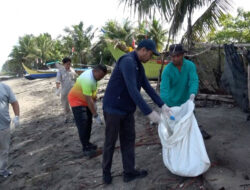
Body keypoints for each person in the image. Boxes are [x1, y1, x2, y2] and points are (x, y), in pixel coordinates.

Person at [102, 39, 172, 184]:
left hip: (127, 110)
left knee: (128, 140)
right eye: (151, 55)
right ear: (144, 50)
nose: (151, 58)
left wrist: (162, 105)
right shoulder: (127, 61)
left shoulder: (139, 66)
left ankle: (129, 172)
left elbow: (147, 87)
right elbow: (133, 90)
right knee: (110, 141)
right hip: (113, 108)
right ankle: (106, 173)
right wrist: (149, 113)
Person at [160, 43, 211, 139]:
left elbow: (193, 80)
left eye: (177, 56)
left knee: (190, 121)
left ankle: (196, 132)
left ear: (183, 55)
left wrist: (192, 93)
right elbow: (164, 89)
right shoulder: (167, 70)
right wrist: (164, 104)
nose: (174, 59)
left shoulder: (190, 66)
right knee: (175, 127)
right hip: (172, 103)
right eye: (172, 56)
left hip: (186, 100)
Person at [68, 64, 107, 157]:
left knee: (88, 122)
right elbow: (88, 99)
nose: (101, 78)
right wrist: (96, 115)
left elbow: (92, 92)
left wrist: (95, 102)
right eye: (100, 76)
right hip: (76, 101)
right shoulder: (87, 79)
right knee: (83, 124)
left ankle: (88, 143)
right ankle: (85, 148)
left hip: (85, 100)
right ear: (95, 71)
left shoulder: (94, 77)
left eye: (103, 77)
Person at [0, 82, 20, 178]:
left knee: (4, 150)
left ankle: (2, 170)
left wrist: (16, 116)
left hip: (4, 126)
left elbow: (14, 102)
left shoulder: (5, 88)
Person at [56, 57, 78, 123]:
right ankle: (67, 117)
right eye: (67, 64)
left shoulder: (72, 70)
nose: (68, 66)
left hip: (73, 90)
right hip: (65, 91)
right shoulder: (60, 71)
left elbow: (76, 79)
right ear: (63, 64)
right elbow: (58, 81)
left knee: (74, 104)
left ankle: (75, 116)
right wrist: (57, 90)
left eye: (69, 64)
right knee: (65, 105)